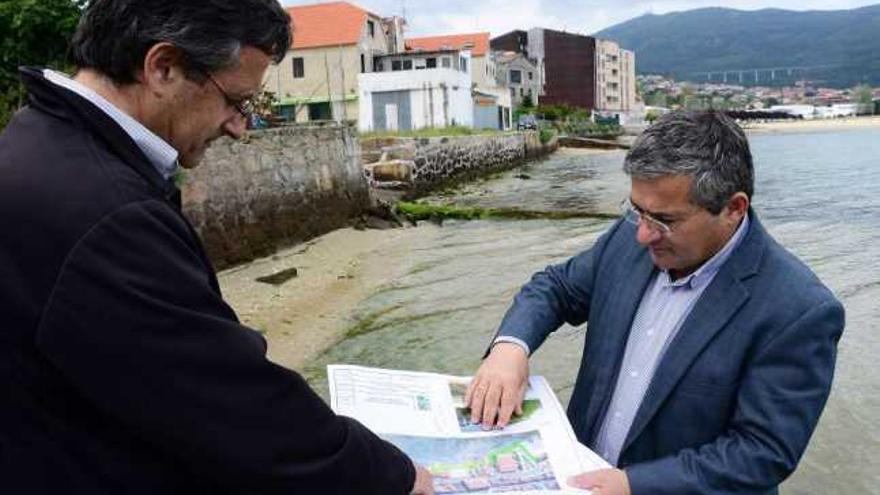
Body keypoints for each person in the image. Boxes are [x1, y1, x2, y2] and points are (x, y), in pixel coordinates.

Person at [0, 1, 433, 493]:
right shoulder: (106, 213)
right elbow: (233, 406)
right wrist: (392, 477)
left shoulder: (37, 141)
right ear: (163, 67)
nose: (239, 126)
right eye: (236, 100)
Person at [465, 110, 844, 495]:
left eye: (665, 220)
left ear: (733, 208)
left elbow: (762, 452)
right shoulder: (631, 233)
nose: (644, 234)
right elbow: (556, 287)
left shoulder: (799, 311)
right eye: (637, 209)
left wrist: (633, 485)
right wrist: (510, 348)